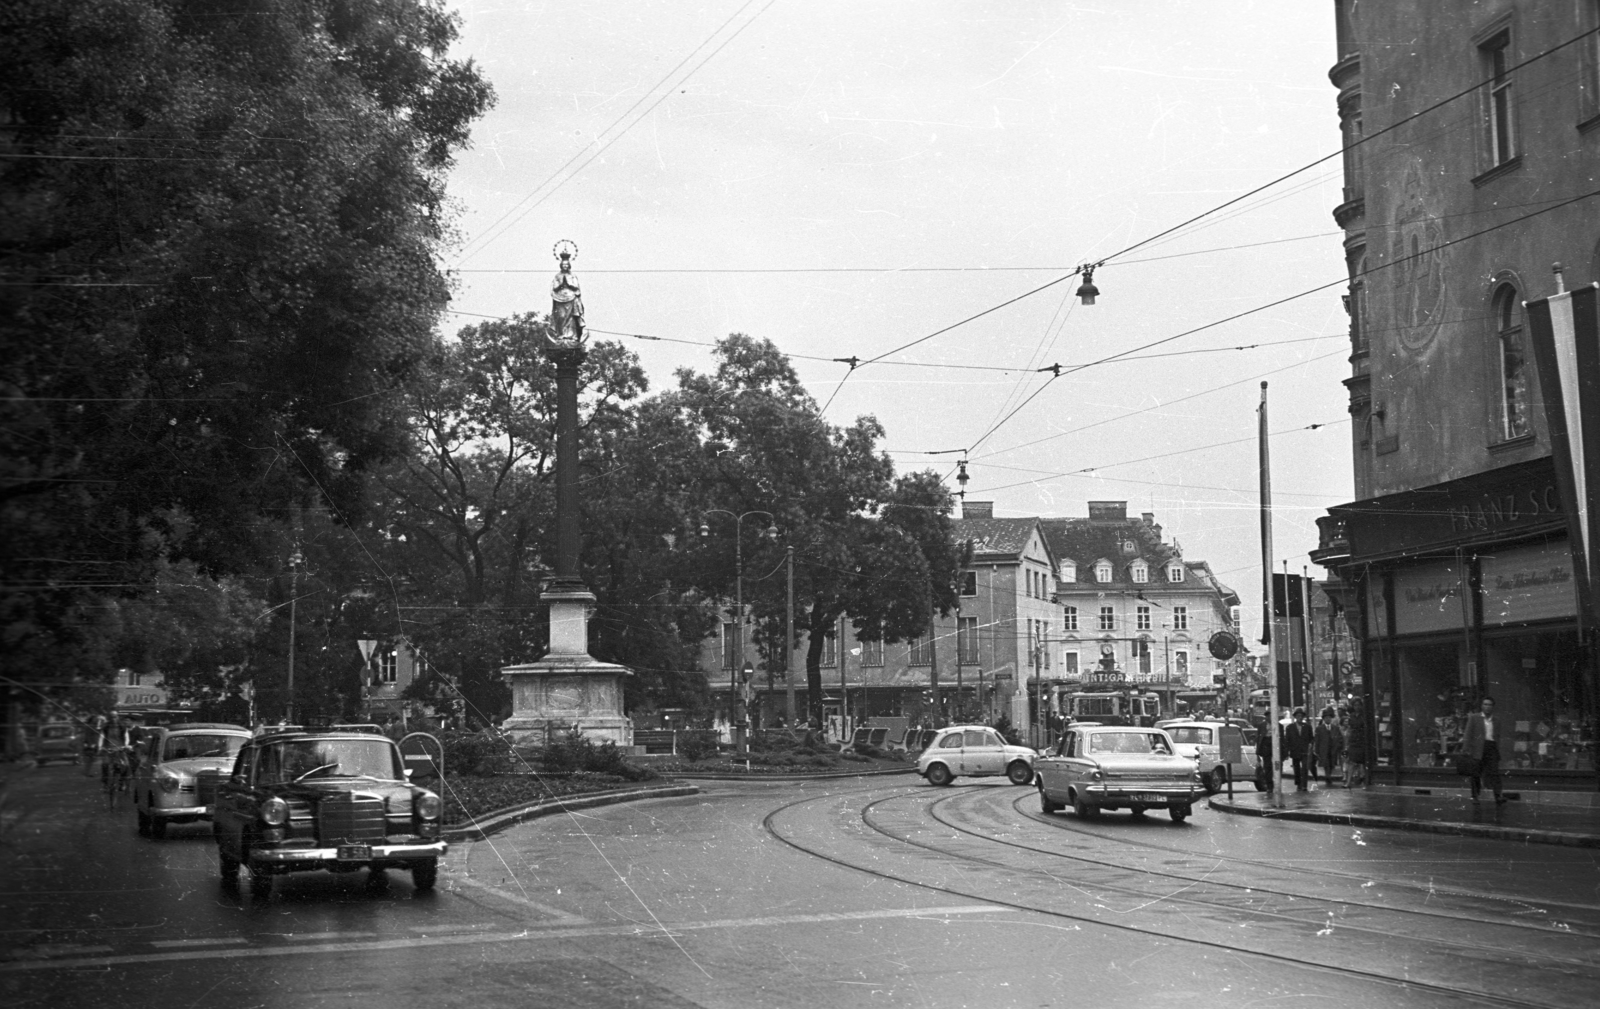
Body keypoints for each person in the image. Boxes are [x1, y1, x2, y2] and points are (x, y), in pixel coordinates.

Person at [1463, 695, 1509, 804]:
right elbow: (1468, 733)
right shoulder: (1474, 717)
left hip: (1491, 746)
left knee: (1494, 772)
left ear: (1493, 707)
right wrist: (1466, 748)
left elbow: (1497, 735)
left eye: (1490, 705)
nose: (1487, 707)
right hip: (1478, 748)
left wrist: (1498, 749)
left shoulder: (1496, 720)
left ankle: (1498, 796)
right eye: (1485, 704)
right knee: (1476, 773)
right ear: (1481, 706)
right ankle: (1475, 796)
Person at [1283, 707, 1314, 791]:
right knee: (1296, 769)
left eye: (1301, 716)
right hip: (1295, 750)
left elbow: (1311, 738)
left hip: (1304, 751)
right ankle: (1298, 784)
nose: (1300, 717)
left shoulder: (1307, 727)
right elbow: (1287, 740)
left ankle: (1304, 785)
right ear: (1295, 717)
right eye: (1298, 716)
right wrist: (1287, 752)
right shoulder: (1290, 727)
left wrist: (1310, 745)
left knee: (1304, 768)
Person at [1313, 707, 1344, 787]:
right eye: (1326, 718)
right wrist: (1316, 751)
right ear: (1323, 719)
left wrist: (1338, 746)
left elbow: (1340, 738)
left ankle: (1329, 775)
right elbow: (1317, 741)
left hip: (1333, 750)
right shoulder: (1319, 729)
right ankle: (1328, 776)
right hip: (1323, 749)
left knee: (1332, 764)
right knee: (1326, 764)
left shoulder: (1335, 728)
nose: (1328, 719)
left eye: (1329, 718)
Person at [1344, 702, 1369, 788]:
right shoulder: (1351, 716)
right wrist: (1347, 742)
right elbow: (1349, 729)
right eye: (1355, 705)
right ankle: (1348, 782)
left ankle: (1364, 782)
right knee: (1351, 761)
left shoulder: (1363, 716)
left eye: (1358, 705)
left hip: (1362, 740)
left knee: (1362, 762)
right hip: (1353, 740)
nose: (1357, 707)